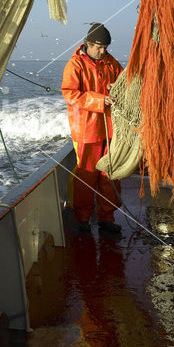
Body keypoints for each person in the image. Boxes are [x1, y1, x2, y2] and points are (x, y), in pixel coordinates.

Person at [61, 23, 123, 233]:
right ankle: (83, 219)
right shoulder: (75, 65)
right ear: (88, 44)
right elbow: (70, 94)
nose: (103, 51)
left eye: (105, 47)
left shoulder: (111, 62)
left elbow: (125, 83)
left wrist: (119, 88)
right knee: (86, 175)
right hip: (86, 130)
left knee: (109, 174)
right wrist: (100, 100)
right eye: (99, 47)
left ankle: (107, 218)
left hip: (111, 129)